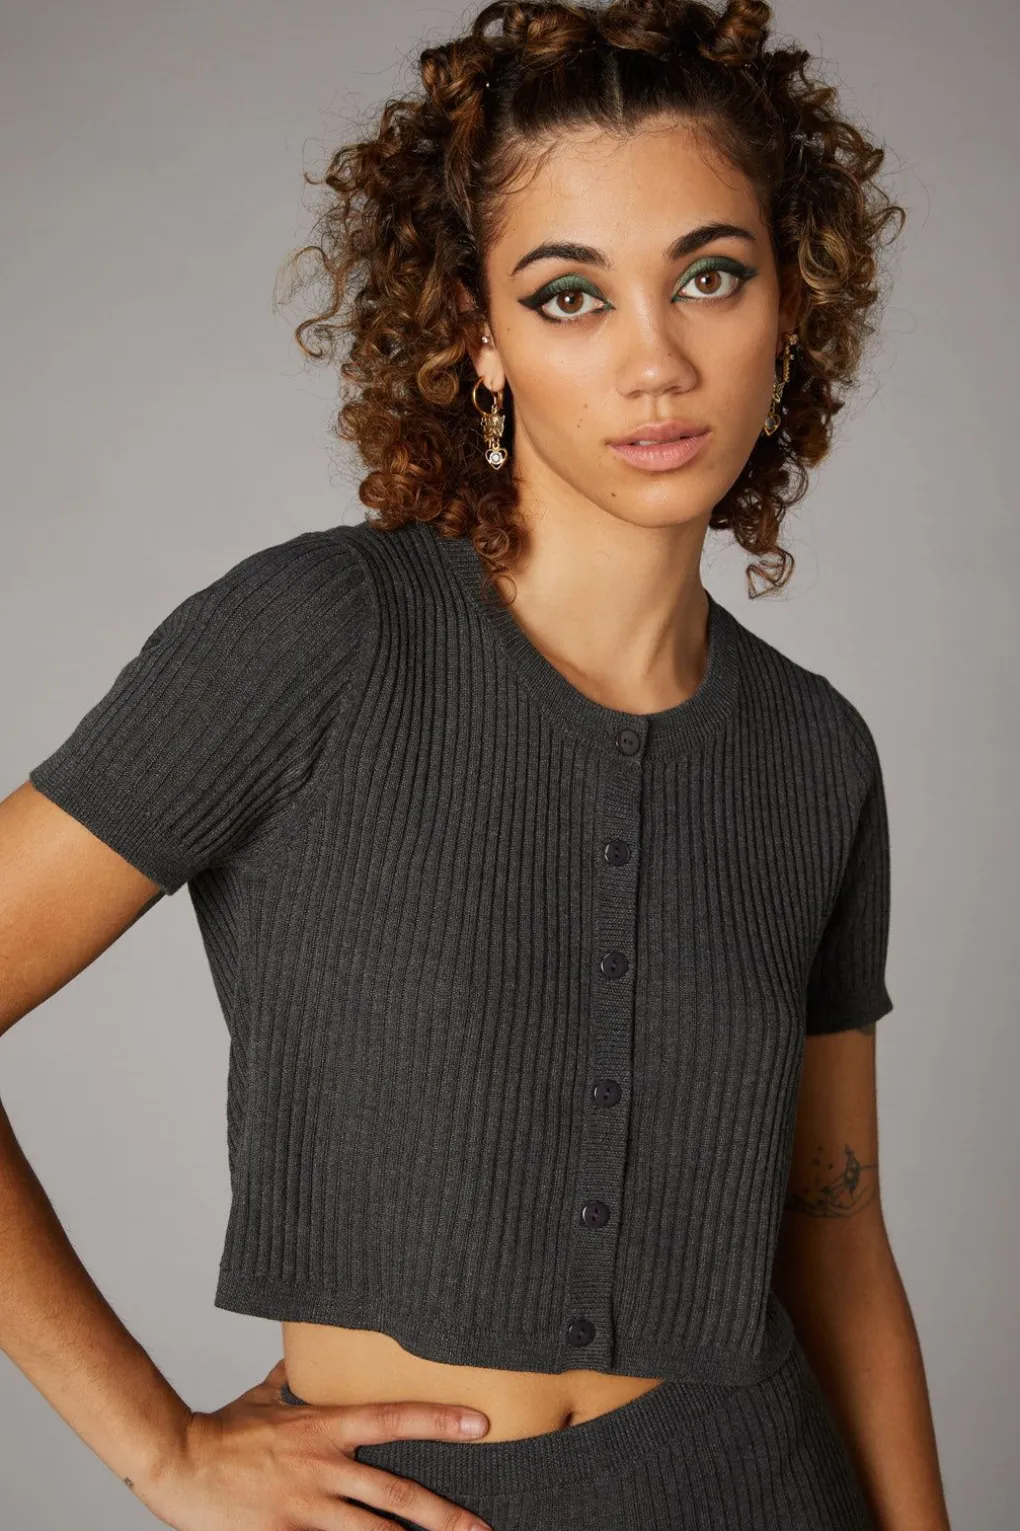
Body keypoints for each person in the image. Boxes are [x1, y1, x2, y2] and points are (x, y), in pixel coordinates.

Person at [0, 1, 951, 1528]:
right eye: (570, 296)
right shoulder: (320, 636)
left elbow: (836, 1244)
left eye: (710, 276)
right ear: (478, 335)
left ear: (790, 303)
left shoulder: (813, 753)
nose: (656, 360)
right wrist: (159, 1446)